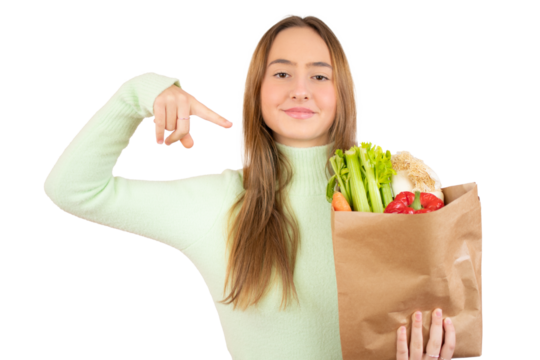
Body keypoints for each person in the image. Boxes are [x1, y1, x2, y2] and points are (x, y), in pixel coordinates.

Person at [44, 11, 464, 360]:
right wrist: (140, 92)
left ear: (344, 95)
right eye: (281, 73)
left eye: (320, 77)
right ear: (256, 93)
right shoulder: (219, 205)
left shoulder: (394, 197)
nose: (300, 90)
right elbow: (72, 190)